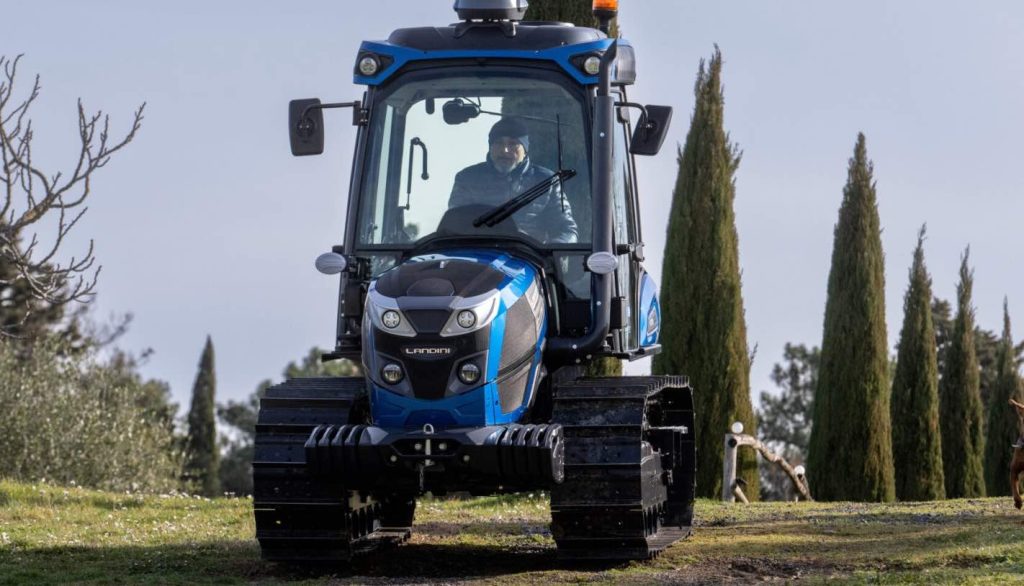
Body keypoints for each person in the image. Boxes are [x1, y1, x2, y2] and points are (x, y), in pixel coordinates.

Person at [449, 117, 578, 244]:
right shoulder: (468, 178)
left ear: (525, 150)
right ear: (490, 147)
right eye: (499, 143)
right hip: (480, 253)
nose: (505, 150)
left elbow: (567, 230)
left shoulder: (547, 181)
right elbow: (455, 225)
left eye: (513, 144)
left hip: (529, 257)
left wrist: (549, 251)